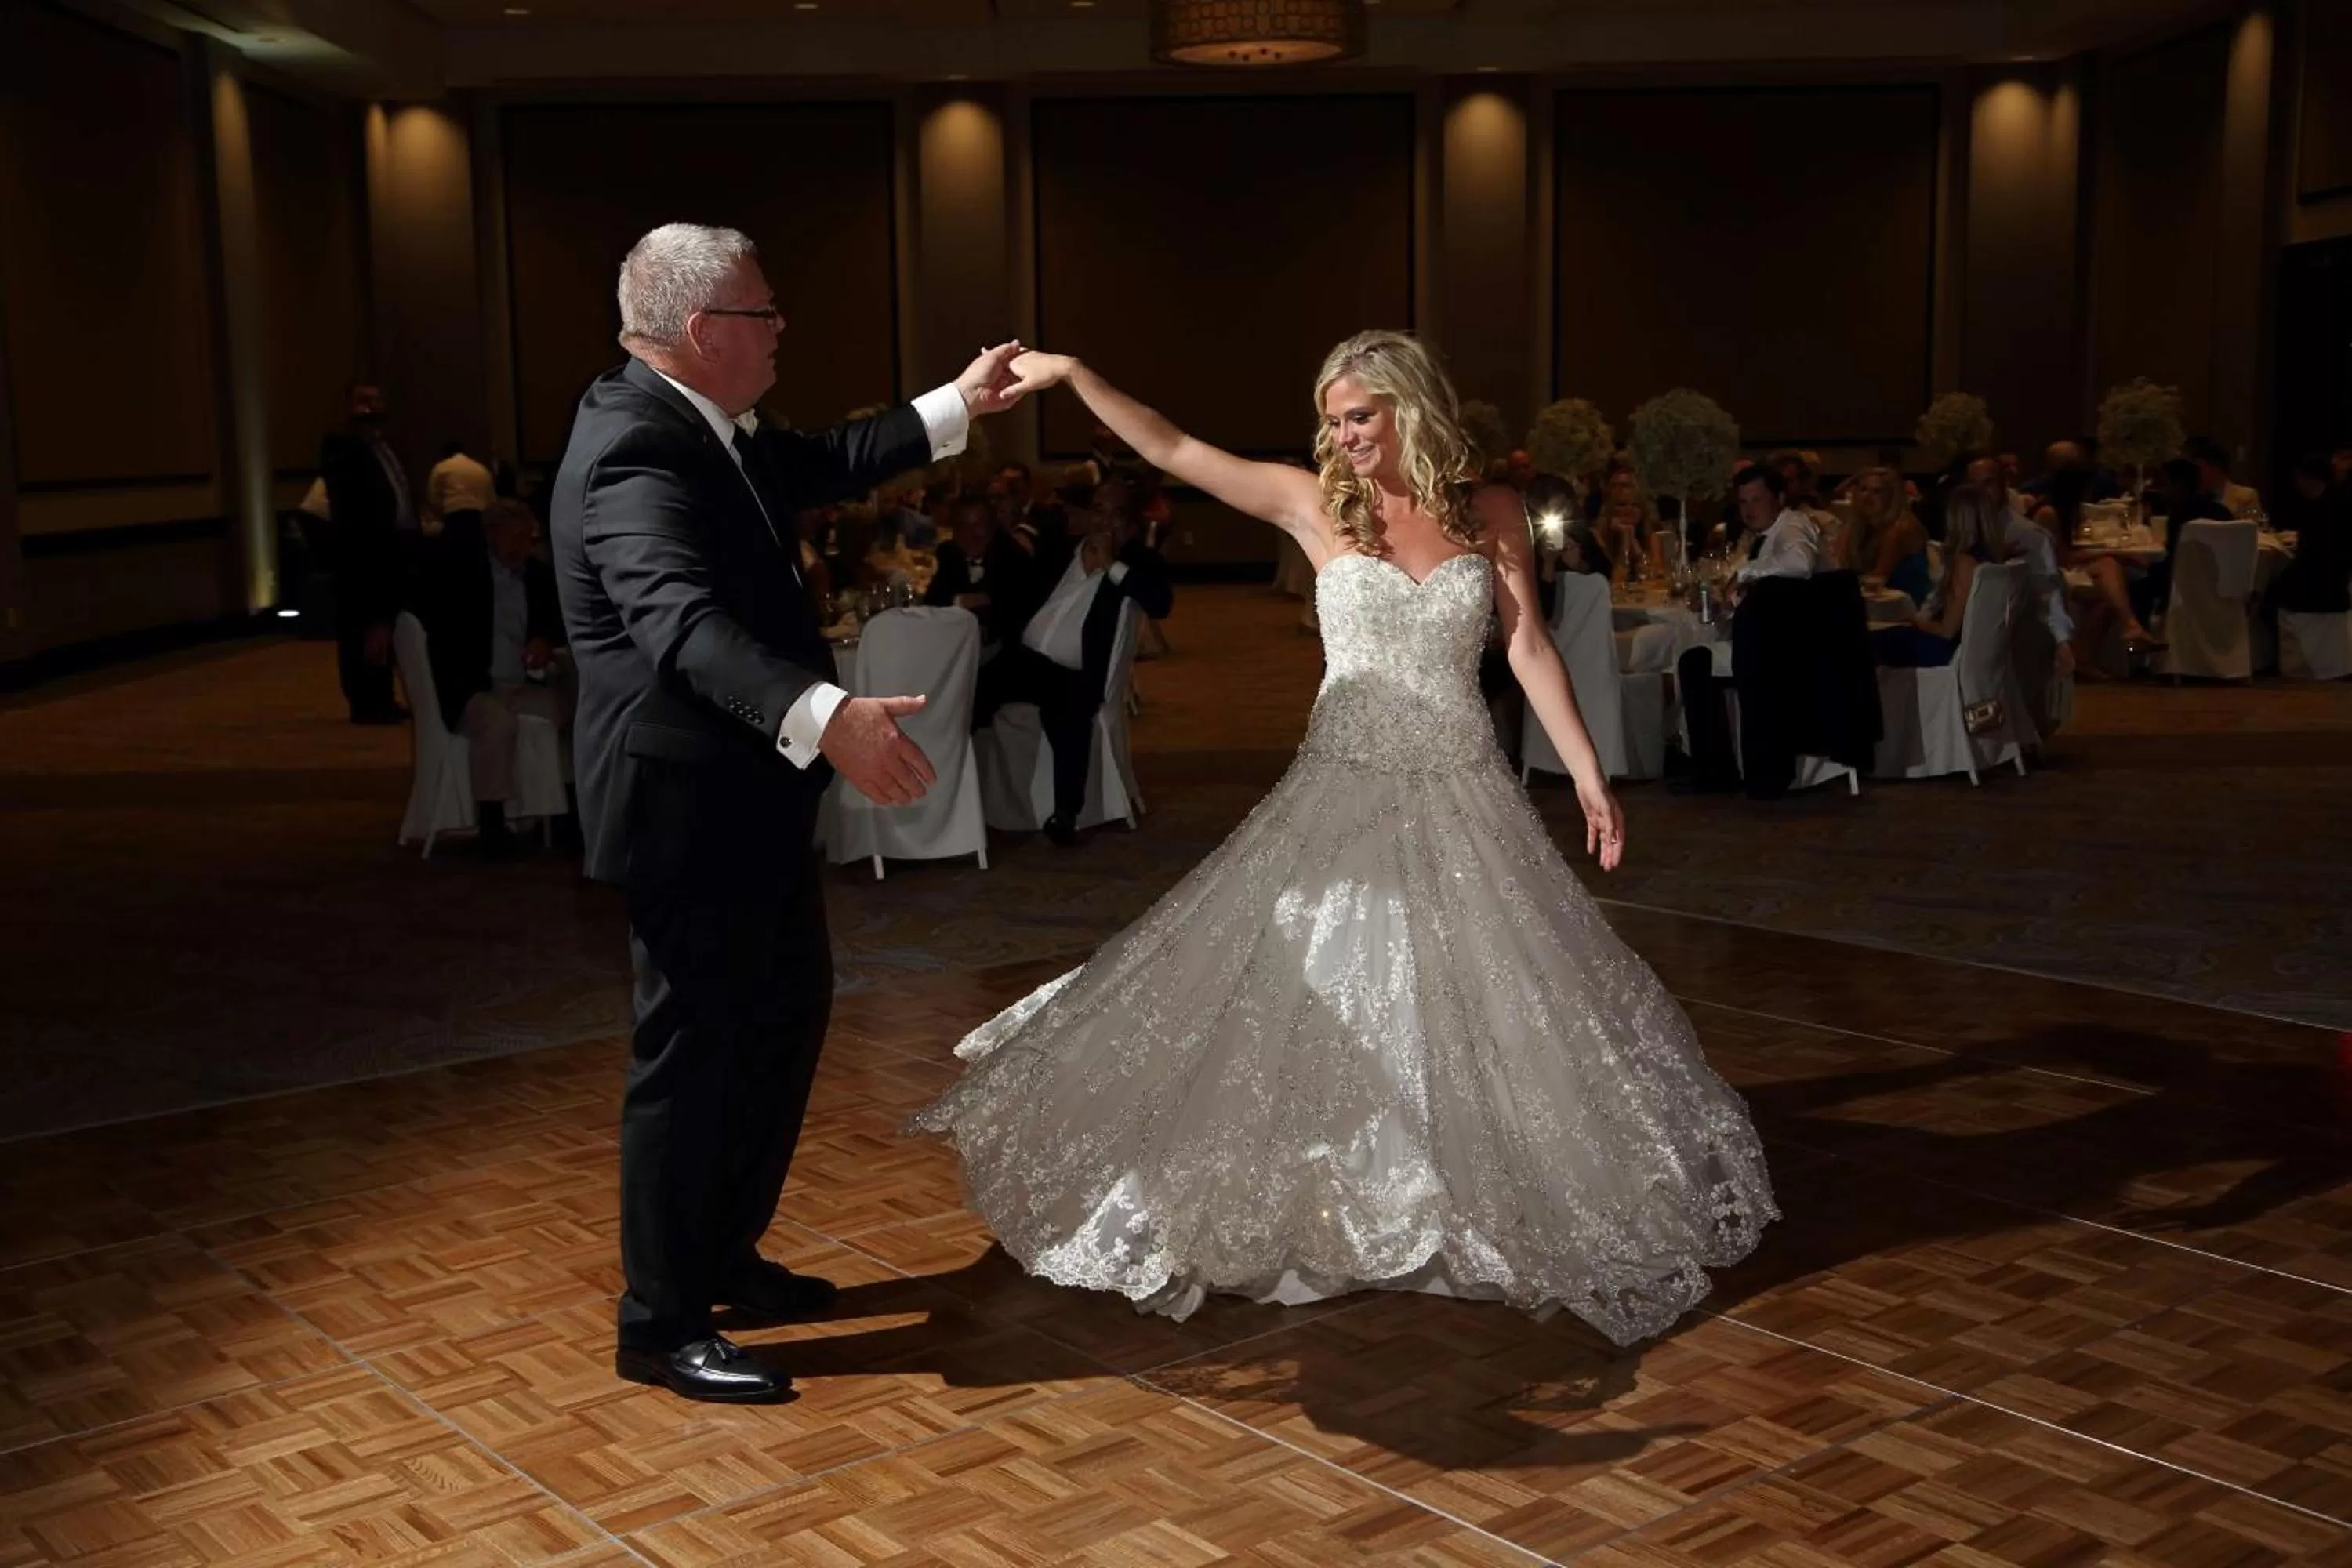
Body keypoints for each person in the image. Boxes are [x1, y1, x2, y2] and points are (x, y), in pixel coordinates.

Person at [907, 332, 1777, 1343]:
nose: (1342, 435)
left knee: (1473, 999)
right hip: (1340, 788)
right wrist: (1076, 378)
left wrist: (1588, 770)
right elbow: (1177, 448)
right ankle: (1334, 1199)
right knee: (1315, 989)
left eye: (1358, 415)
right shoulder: (1316, 505)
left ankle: (1449, 1201)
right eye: (1331, 419)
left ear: (1412, 409)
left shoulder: (1488, 511)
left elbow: (1527, 642)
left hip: (1461, 789)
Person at [548, 223, 1029, 1404]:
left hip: (744, 796)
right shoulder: (631, 450)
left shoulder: (709, 425)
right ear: (708, 333)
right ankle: (658, 1325)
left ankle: (723, 1258)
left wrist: (955, 402)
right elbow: (679, 626)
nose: (781, 331)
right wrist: (829, 714)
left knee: (779, 1024)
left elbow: (828, 458)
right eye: (766, 313)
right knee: (693, 1057)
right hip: (680, 804)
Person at [971, 481, 1174, 844]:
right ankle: (952, 797)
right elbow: (1015, 589)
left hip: (1071, 672)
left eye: (1115, 513)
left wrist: (1111, 564)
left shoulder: (1140, 560)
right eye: (1098, 509)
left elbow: (1160, 604)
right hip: (1024, 659)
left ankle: (1065, 813)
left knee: (1066, 710)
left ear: (1131, 521)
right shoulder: (1061, 550)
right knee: (968, 692)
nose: (1104, 519)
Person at [408, 498, 573, 856]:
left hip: (521, 682)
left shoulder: (539, 577)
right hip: (472, 686)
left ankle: (562, 813)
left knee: (568, 713)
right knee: (497, 724)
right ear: (491, 536)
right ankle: (492, 823)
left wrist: (544, 638)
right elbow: (442, 633)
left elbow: (559, 621)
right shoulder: (464, 576)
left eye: (526, 538)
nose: (520, 547)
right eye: (512, 537)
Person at [317, 381, 417, 724]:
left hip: (396, 547)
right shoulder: (342, 446)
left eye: (376, 401)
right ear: (348, 407)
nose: (371, 408)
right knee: (362, 626)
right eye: (363, 402)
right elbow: (349, 503)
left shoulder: (388, 447)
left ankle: (383, 696)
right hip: (362, 552)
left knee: (386, 623)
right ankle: (365, 701)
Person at [1872, 483, 1999, 668]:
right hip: (1970, 651)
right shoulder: (1991, 558)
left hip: (1946, 651)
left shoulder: (1965, 563)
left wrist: (1912, 619)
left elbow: (1947, 631)